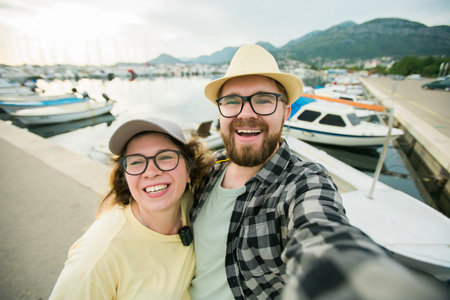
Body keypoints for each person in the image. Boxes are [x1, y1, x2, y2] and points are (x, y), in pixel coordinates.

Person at [189, 44, 446, 299]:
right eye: (232, 102)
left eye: (263, 101)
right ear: (220, 113)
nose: (246, 114)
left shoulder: (303, 182)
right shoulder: (208, 170)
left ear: (286, 113)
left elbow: (321, 234)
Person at [50, 117, 212, 299]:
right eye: (136, 162)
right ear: (125, 177)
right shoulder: (97, 258)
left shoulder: (192, 203)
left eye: (165, 157)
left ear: (189, 170)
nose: (151, 172)